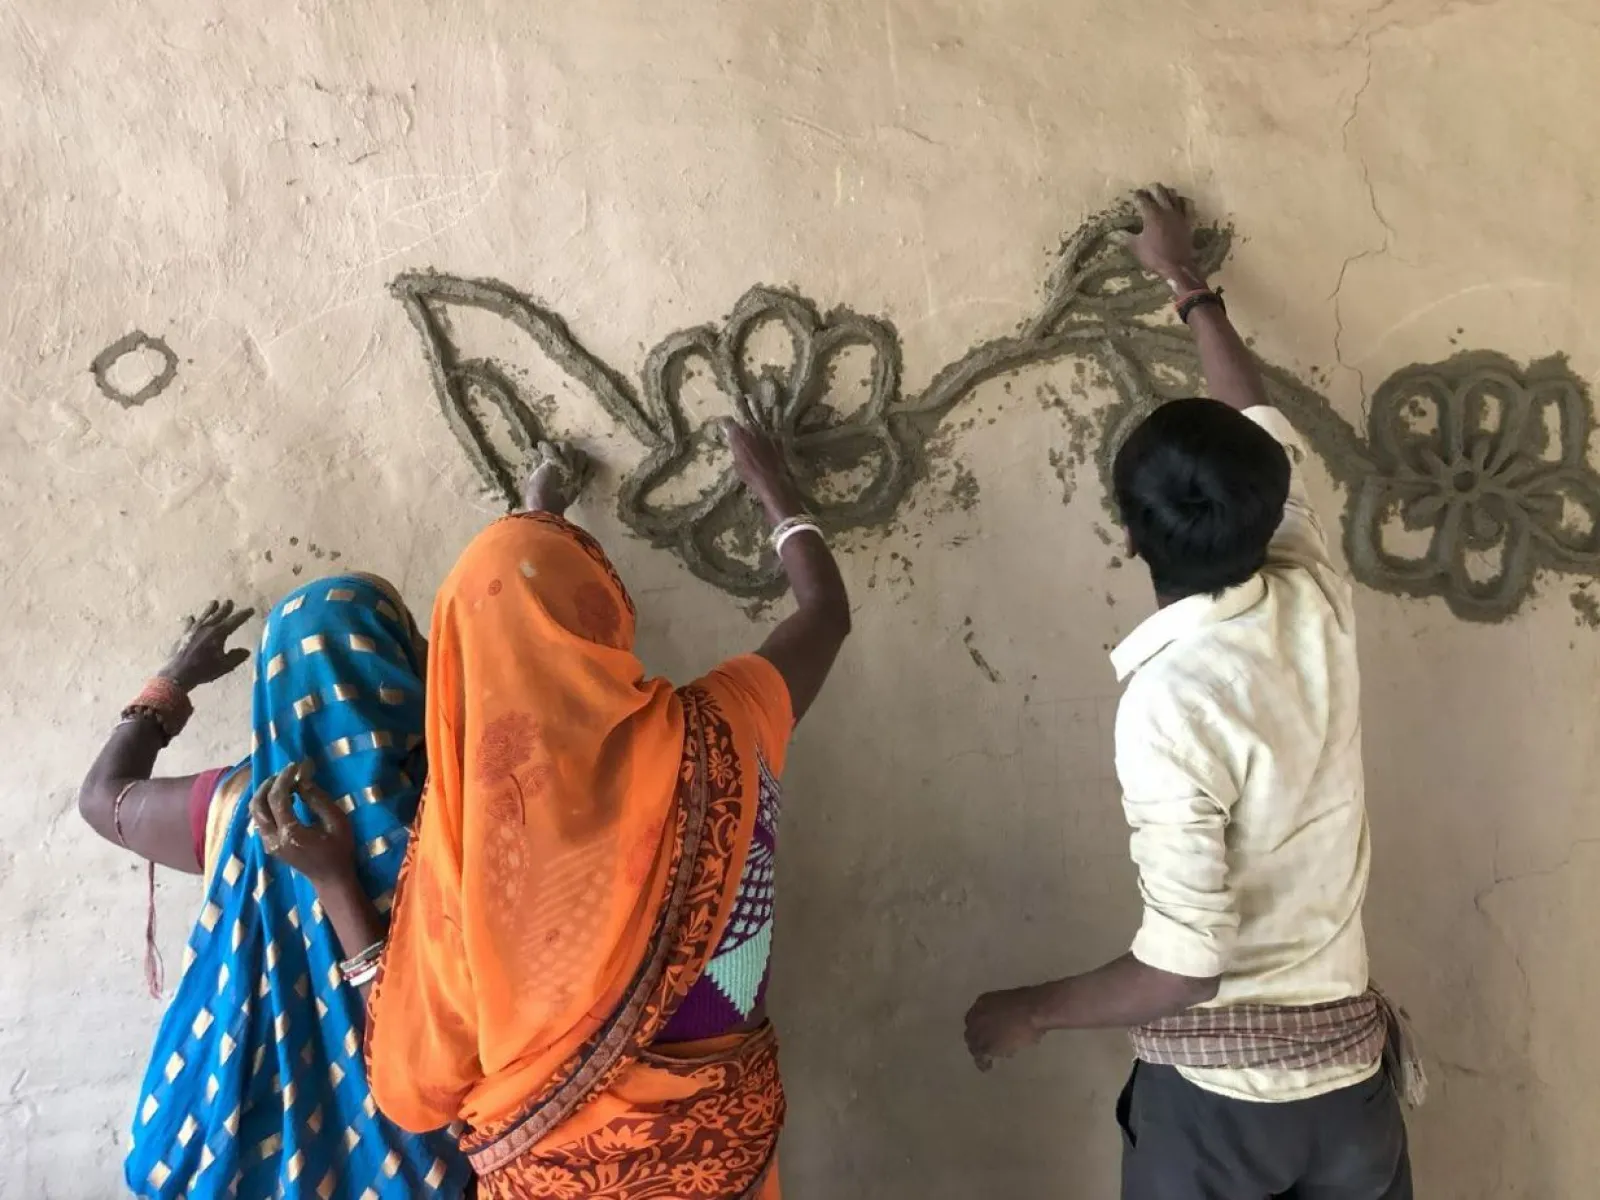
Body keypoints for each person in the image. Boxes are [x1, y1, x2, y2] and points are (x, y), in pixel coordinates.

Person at [963, 186, 1415, 1199]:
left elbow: (1183, 969)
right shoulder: (1313, 593)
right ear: (1269, 504)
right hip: (1349, 1097)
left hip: (1223, 1115)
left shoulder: (1169, 702)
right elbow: (1254, 414)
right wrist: (1186, 285)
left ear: (1127, 536)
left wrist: (1029, 1009)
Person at [362, 416, 851, 1198]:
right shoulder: (717, 733)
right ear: (602, 616)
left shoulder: (467, 851)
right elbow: (826, 614)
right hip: (722, 1163)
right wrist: (775, 492)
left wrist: (537, 505)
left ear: (458, 666)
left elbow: (413, 1090)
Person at [79, 577, 471, 1197]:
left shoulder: (240, 806)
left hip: (239, 1164)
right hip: (423, 1166)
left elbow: (104, 800)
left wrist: (173, 680)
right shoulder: (462, 810)